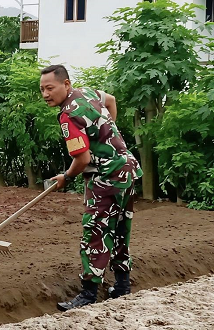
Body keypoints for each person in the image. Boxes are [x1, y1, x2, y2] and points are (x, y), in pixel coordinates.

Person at [40, 64, 142, 311]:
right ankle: (122, 286)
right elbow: (112, 100)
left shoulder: (68, 116)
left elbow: (83, 159)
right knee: (120, 228)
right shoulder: (88, 92)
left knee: (95, 231)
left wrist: (66, 176)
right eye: (42, 89)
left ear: (66, 84)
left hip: (106, 176)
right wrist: (105, 136)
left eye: (50, 88)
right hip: (127, 169)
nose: (45, 94)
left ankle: (88, 294)